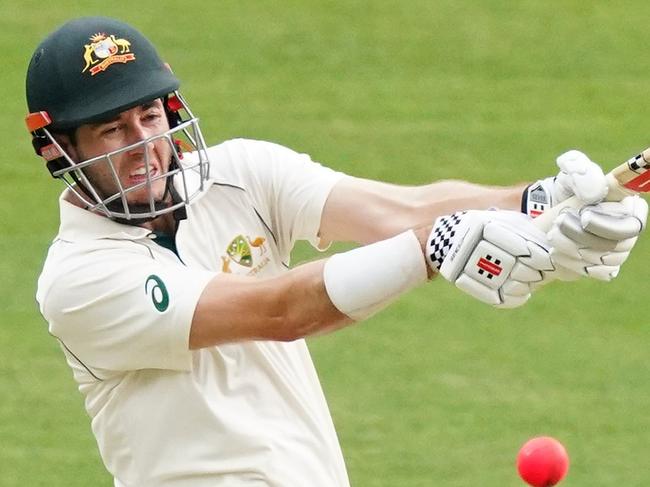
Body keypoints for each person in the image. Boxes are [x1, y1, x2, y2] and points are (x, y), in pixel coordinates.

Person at [26, 16, 646, 487]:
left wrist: (539, 201)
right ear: (59, 150)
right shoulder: (79, 280)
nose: (144, 144)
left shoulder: (238, 172)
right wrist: (430, 252)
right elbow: (279, 311)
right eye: (112, 129)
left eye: (149, 117)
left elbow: (397, 209)